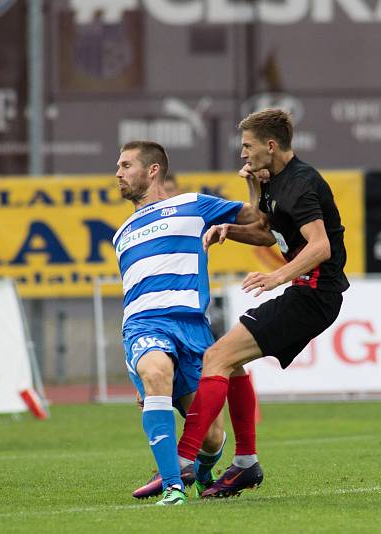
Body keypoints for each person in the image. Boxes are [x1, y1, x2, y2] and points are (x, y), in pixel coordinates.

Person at [175, 108, 349, 498]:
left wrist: (276, 277)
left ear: (271, 146)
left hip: (313, 296)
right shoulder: (275, 180)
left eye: (247, 146)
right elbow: (269, 233)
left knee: (216, 358)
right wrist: (230, 228)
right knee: (229, 363)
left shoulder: (301, 184)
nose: (242, 154)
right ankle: (245, 465)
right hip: (306, 293)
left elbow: (319, 246)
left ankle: (182, 463)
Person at [114, 140, 265, 505]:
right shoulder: (120, 234)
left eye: (125, 165)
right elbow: (134, 293)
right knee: (155, 372)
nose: (117, 173)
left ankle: (201, 472)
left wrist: (254, 184)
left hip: (193, 329)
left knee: (212, 436)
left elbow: (259, 219)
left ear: (153, 170)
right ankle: (172, 486)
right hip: (144, 325)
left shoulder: (193, 205)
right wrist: (141, 376)